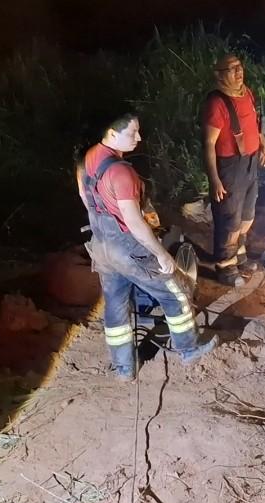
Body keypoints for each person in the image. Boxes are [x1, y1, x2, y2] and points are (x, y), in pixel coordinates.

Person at [78, 114, 217, 381]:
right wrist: (161, 253)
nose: (139, 138)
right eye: (133, 133)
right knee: (175, 292)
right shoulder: (122, 172)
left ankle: (124, 368)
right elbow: (133, 220)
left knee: (116, 305)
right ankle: (189, 348)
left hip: (101, 246)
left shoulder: (91, 157)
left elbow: (86, 195)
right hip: (127, 249)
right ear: (111, 133)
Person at [203, 54, 265, 287]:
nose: (238, 71)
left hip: (250, 161)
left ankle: (237, 252)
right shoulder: (217, 103)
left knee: (247, 215)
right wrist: (214, 179)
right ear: (221, 74)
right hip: (230, 166)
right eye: (232, 68)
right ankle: (225, 264)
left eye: (239, 66)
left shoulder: (246, 93)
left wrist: (264, 146)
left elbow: (255, 124)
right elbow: (209, 144)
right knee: (229, 218)